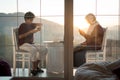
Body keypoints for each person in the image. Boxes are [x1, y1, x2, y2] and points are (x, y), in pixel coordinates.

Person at [18, 11, 48, 76]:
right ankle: (34, 69)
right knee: (33, 50)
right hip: (23, 44)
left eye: (32, 19)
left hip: (30, 43)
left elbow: (39, 24)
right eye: (31, 19)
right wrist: (30, 32)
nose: (32, 21)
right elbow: (20, 37)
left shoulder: (31, 25)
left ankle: (35, 67)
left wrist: (37, 29)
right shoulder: (22, 25)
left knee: (44, 49)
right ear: (26, 19)